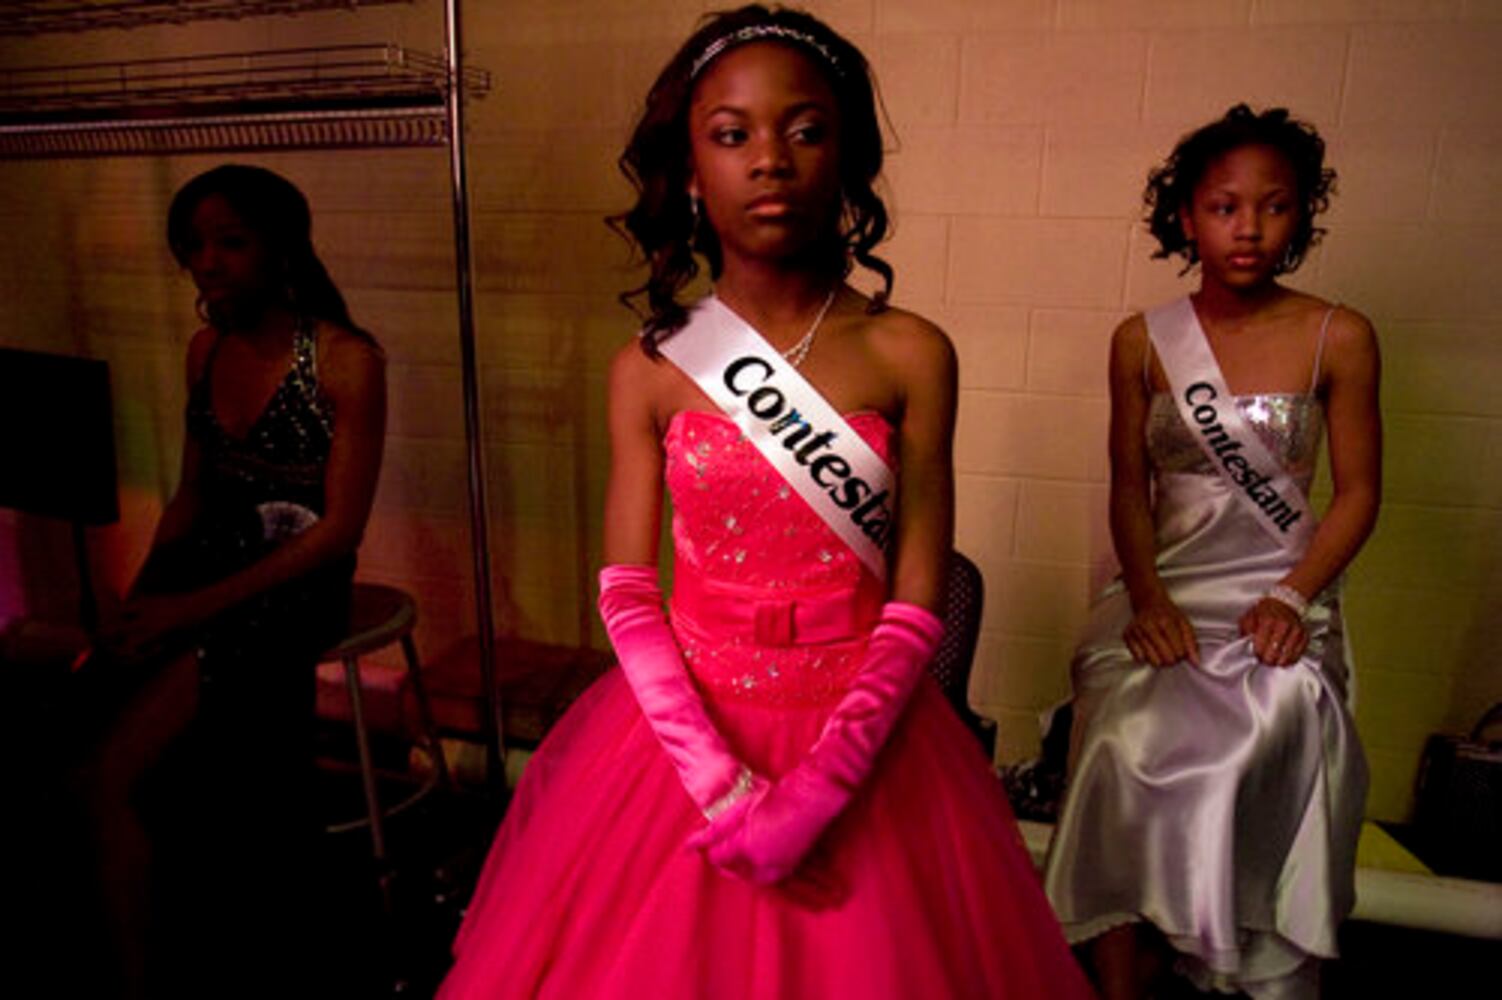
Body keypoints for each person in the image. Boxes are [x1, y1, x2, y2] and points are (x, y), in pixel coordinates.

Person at [439, 6, 1094, 998]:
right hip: (679, 743)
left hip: (866, 743)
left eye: (804, 128)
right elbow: (625, 589)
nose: (769, 159)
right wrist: (720, 782)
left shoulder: (911, 352)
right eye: (731, 133)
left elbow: (919, 597)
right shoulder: (650, 367)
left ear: (847, 159)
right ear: (692, 173)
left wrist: (819, 789)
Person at [1042, 105, 1381, 1000]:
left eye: (1274, 207)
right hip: (1166, 591)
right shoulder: (1142, 339)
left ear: (1303, 215)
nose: (1250, 228)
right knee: (1118, 733)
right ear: (1186, 216)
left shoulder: (1338, 335)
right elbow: (1129, 489)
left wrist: (1294, 600)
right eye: (1226, 207)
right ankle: (1120, 978)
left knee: (1272, 720)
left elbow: (1359, 495)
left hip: (1282, 591)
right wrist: (1147, 602)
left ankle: (1237, 957)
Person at [73, 163, 386, 996]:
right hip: (206, 571)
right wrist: (143, 604)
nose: (208, 263)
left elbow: (337, 534)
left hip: (295, 581)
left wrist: (187, 610)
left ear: (280, 249)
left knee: (113, 777)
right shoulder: (203, 351)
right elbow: (189, 499)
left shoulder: (345, 360)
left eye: (231, 242)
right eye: (194, 246)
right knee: (83, 733)